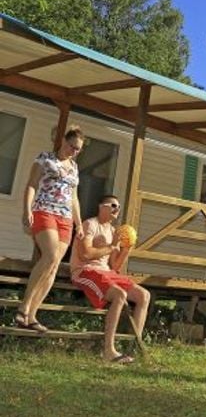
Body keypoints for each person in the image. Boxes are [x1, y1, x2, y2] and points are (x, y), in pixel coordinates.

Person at [17, 126, 85, 333]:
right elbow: (31, 184)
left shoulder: (74, 167)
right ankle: (23, 307)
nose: (74, 151)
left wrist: (79, 223)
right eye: (72, 146)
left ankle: (31, 316)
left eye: (78, 149)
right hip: (44, 211)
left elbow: (74, 198)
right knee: (50, 256)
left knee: (54, 266)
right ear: (63, 141)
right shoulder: (45, 158)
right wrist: (27, 209)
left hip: (65, 218)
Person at [70, 195, 150, 363]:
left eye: (118, 207)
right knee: (119, 295)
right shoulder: (90, 224)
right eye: (113, 205)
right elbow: (85, 255)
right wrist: (112, 246)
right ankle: (108, 350)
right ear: (101, 206)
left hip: (105, 272)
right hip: (85, 271)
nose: (117, 209)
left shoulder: (113, 231)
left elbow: (115, 265)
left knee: (144, 295)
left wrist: (126, 249)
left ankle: (133, 347)